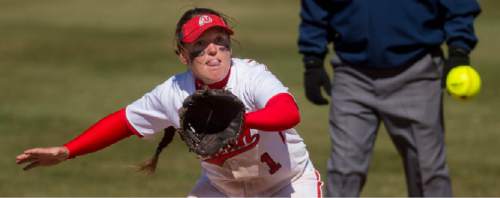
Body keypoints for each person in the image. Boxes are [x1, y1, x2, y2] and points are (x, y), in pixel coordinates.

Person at [16, 7, 323, 197]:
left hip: (289, 185)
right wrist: (68, 150)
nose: (213, 50)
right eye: (200, 45)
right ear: (183, 55)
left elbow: (288, 112)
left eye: (220, 42)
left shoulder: (251, 75)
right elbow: (124, 122)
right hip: (223, 191)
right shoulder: (174, 92)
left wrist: (243, 120)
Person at [298, 0, 480, 197]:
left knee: (428, 173)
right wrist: (312, 59)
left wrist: (459, 50)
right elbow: (315, 5)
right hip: (351, 72)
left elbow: (459, 4)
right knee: (343, 172)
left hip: (417, 71)